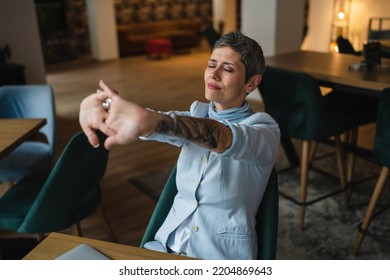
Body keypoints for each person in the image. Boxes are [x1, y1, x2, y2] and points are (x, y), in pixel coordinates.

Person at [79, 30, 280, 260]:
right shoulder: (197, 113)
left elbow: (223, 137)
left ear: (252, 83)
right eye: (211, 64)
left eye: (227, 68)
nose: (213, 74)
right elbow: (154, 121)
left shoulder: (264, 130)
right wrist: (100, 105)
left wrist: (152, 122)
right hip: (163, 248)